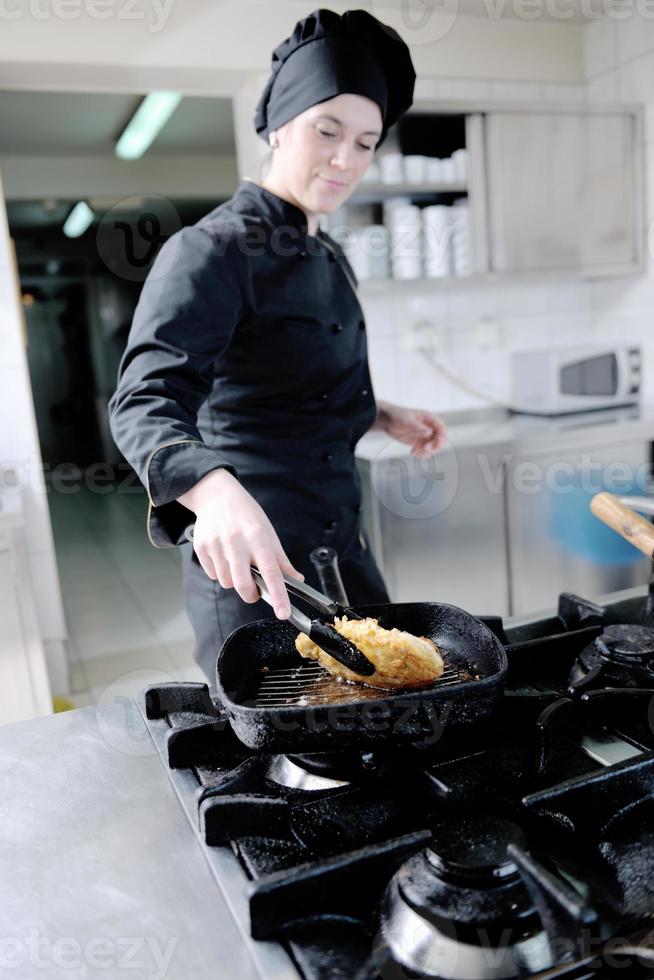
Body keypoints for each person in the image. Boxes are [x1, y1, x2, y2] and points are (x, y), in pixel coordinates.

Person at [108, 8, 447, 683]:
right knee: (285, 756)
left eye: (365, 141)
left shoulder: (329, 253)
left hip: (343, 548)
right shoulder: (211, 250)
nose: (345, 160)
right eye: (328, 131)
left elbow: (287, 374)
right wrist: (210, 490)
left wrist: (379, 412)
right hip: (255, 568)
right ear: (279, 125)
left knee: (378, 715)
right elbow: (144, 398)